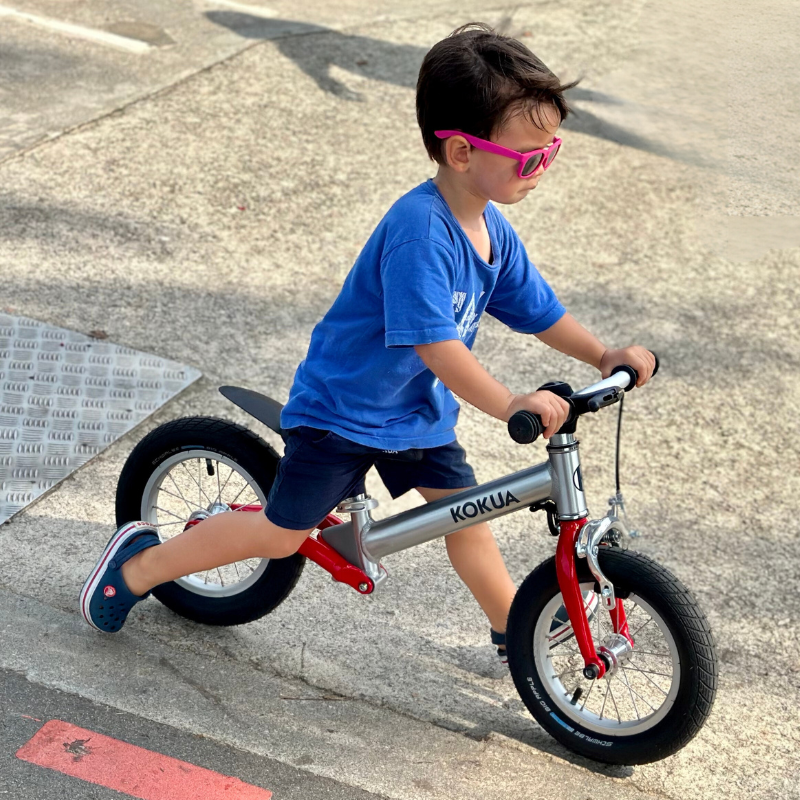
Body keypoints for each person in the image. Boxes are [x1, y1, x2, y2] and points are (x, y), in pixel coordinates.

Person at [80, 23, 655, 662]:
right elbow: (440, 349)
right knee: (279, 536)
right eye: (529, 157)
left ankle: (515, 629)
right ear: (461, 154)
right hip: (342, 412)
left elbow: (539, 311)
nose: (542, 168)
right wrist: (510, 403)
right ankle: (137, 568)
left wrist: (603, 355)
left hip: (413, 417)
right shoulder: (420, 235)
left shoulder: (491, 227)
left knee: (467, 515)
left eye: (552, 152)